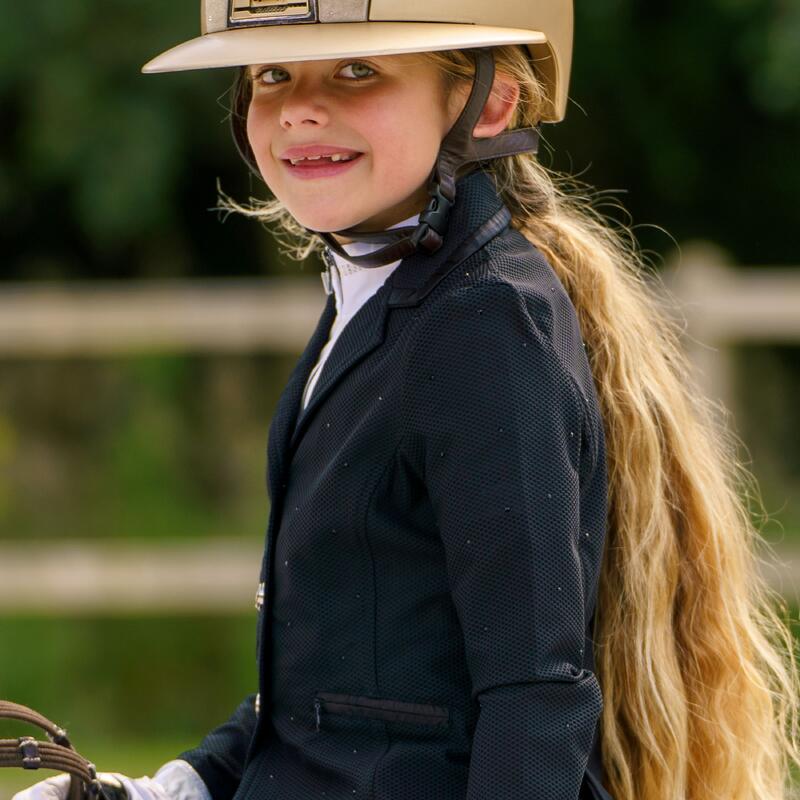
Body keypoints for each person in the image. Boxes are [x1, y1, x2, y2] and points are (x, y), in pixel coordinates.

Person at [15, 2, 800, 799]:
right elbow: (336, 685)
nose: (299, 107)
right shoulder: (381, 295)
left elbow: (536, 695)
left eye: (359, 71)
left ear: (488, 103)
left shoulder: (482, 322)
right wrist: (169, 789)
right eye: (271, 74)